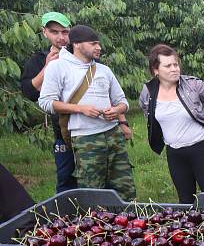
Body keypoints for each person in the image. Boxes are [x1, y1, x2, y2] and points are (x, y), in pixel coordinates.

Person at [21, 12, 132, 195]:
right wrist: (48, 66)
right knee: (72, 180)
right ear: (45, 32)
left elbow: (116, 98)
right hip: (71, 133)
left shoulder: (100, 67)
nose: (61, 37)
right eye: (55, 32)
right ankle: (74, 219)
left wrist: (121, 119)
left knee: (120, 183)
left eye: (65, 32)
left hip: (110, 133)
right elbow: (33, 93)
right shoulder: (45, 61)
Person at [139, 44, 204, 204]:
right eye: (168, 66)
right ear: (156, 70)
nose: (174, 69)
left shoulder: (192, 85)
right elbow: (148, 112)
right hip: (175, 153)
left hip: (202, 150)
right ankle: (193, 229)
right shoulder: (149, 91)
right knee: (185, 200)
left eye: (176, 64)